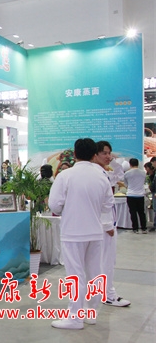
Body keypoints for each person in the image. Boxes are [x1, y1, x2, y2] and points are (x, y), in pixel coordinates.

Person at [48, 138, 114, 329]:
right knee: (94, 273)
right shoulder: (101, 176)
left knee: (75, 275)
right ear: (94, 154)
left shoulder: (65, 176)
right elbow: (108, 205)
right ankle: (91, 312)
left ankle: (75, 317)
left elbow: (54, 205)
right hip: (95, 231)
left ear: (75, 154)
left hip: (73, 232)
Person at [93, 141, 131, 307]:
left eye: (109, 153)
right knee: (106, 261)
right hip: (104, 225)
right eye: (104, 153)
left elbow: (119, 174)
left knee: (105, 260)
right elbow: (103, 202)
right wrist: (107, 225)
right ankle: (108, 294)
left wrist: (113, 161)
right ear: (95, 155)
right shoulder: (97, 174)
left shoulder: (103, 173)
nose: (108, 156)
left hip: (106, 223)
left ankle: (104, 292)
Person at [123, 158, 147, 234]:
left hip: (131, 194)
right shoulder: (143, 173)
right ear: (138, 164)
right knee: (141, 212)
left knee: (133, 212)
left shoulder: (127, 173)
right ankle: (144, 228)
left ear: (130, 164)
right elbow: (143, 182)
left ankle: (135, 228)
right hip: (140, 195)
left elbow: (126, 184)